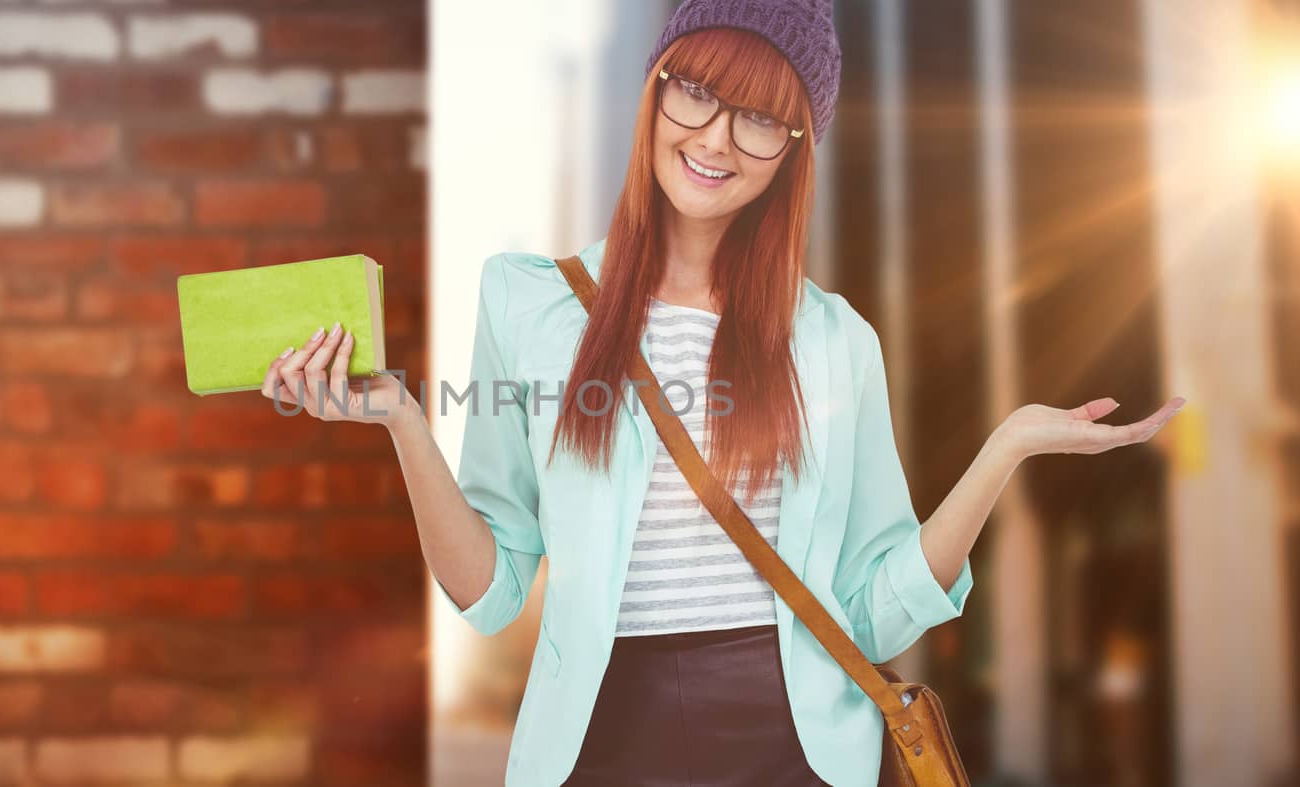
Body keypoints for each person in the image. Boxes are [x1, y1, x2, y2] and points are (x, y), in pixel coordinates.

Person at [258, 0, 1186, 784]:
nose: (714, 139)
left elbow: (869, 609)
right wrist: (407, 425)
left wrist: (1005, 449)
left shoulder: (834, 342)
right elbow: (495, 589)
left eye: (758, 117)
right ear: (655, 87)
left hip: (793, 744)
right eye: (695, 91)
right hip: (598, 736)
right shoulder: (527, 298)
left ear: (792, 148)